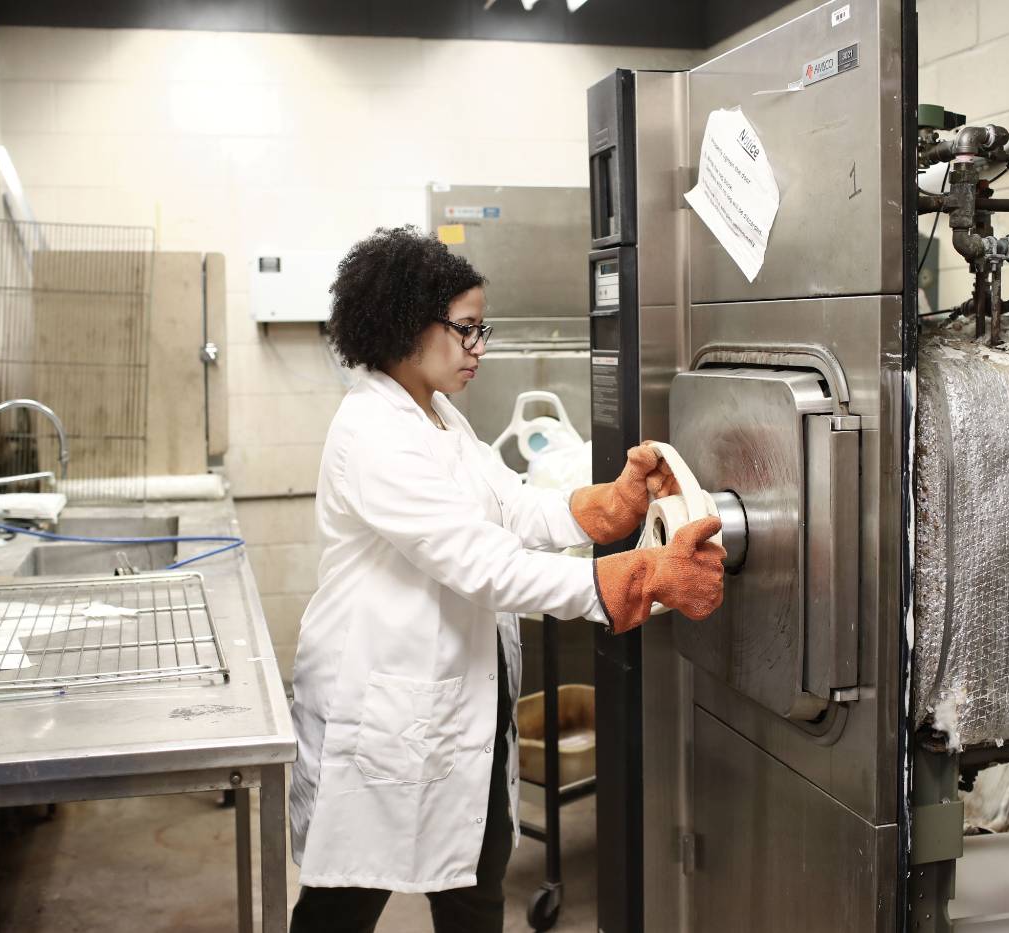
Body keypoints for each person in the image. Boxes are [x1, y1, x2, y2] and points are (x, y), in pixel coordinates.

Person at [288, 226, 725, 933]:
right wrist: (637, 577)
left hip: (460, 705)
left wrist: (607, 505)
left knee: (475, 881)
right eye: (465, 330)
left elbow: (510, 505)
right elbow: (482, 563)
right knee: (343, 900)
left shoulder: (438, 416)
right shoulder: (373, 431)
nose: (479, 348)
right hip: (385, 710)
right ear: (405, 324)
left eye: (479, 328)